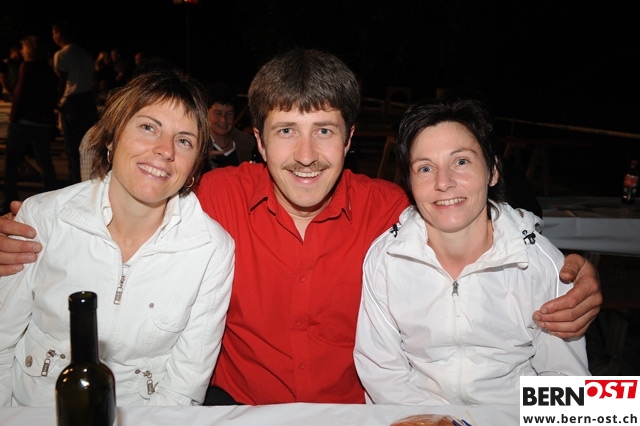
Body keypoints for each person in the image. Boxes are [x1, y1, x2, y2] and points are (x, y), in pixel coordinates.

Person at [0, 49, 603, 406]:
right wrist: (29, 227)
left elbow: (477, 222)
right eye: (287, 130)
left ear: (350, 139)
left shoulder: (392, 213)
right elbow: (132, 200)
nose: (307, 155)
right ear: (258, 142)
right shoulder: (214, 197)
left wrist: (564, 266)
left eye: (325, 131)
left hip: (360, 414)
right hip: (235, 408)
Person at [0, 69, 234, 406]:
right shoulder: (44, 218)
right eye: (148, 127)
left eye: (184, 140)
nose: (165, 150)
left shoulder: (211, 250)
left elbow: (184, 387)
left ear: (193, 169)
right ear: (112, 137)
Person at [353, 98, 590, 406]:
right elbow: (382, 371)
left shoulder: (541, 264)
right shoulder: (386, 259)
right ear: (409, 183)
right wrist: (435, 422)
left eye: (461, 162)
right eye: (425, 168)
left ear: (493, 171)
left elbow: (566, 379)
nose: (443, 182)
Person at [2, 35, 59, 215]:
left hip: (24, 122)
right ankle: (53, 200)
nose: (21, 51)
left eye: (24, 48)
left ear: (30, 49)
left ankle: (9, 200)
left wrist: (13, 117)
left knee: (12, 162)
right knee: (45, 161)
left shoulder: (26, 67)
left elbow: (19, 93)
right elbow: (53, 97)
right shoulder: (50, 71)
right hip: (43, 124)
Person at [51, 19, 99, 185]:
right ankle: (87, 180)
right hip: (88, 100)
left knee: (72, 147)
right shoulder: (85, 54)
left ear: (59, 34)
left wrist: (56, 102)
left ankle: (74, 182)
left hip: (72, 102)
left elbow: (61, 82)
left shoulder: (61, 55)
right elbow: (93, 79)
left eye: (54, 33)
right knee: (87, 144)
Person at [202, 83, 257, 172]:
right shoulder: (198, 146)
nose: (223, 120)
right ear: (205, 114)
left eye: (229, 114)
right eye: (218, 113)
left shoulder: (249, 144)